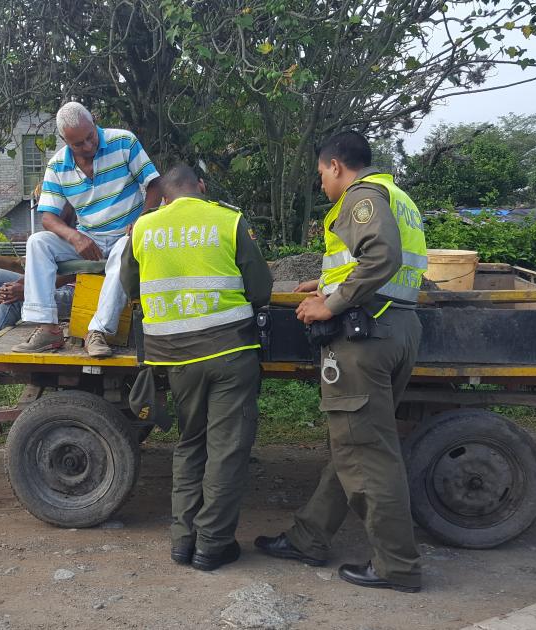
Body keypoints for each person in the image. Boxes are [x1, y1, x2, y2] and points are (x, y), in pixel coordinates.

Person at [254, 130, 428, 593]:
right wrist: (327, 282)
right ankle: (308, 537)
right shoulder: (398, 195)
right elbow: (381, 264)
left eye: (320, 174)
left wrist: (333, 304)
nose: (322, 184)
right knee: (355, 443)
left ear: (335, 166)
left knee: (368, 455)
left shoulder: (361, 196)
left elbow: (382, 256)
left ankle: (397, 566)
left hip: (366, 337)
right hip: (399, 327)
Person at [121, 165, 272, 571]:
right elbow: (261, 289)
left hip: (175, 358)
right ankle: (212, 545)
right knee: (226, 450)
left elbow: (130, 289)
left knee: (191, 443)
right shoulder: (229, 219)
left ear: (165, 196)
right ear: (201, 187)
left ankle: (182, 542)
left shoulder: (144, 229)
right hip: (230, 352)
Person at [13, 101, 162, 357]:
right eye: (78, 144)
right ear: (64, 140)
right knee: (37, 242)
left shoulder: (124, 142)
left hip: (126, 235)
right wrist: (75, 237)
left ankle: (98, 332)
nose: (88, 146)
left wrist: (142, 220)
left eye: (90, 137)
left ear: (94, 121)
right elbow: (48, 217)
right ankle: (48, 328)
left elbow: (155, 185)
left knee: (125, 249)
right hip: (88, 238)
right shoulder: (57, 165)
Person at [0, 268, 74, 342]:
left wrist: (28, 291)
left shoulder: (82, 242)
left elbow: (72, 273)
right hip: (54, 282)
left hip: (76, 293)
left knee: (12, 298)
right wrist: (18, 285)